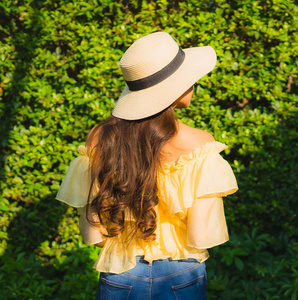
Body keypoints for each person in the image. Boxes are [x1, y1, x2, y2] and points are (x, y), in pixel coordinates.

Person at [56, 32, 238, 299]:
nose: (193, 84)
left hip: (121, 269)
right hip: (181, 272)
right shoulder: (200, 143)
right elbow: (200, 234)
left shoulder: (100, 137)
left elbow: (94, 232)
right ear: (174, 89)